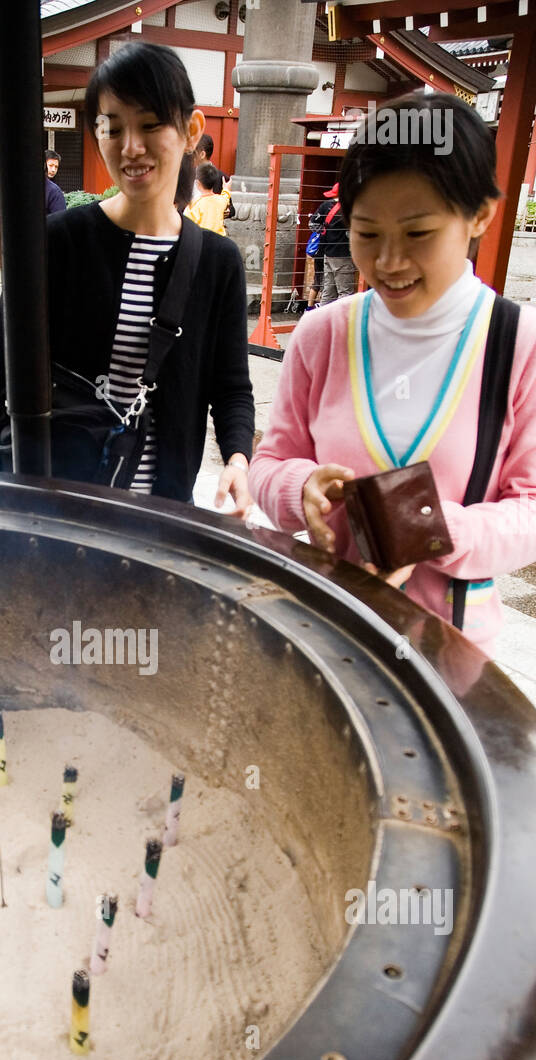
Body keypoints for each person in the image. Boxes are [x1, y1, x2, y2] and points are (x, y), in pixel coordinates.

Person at [248, 93, 536, 658]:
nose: (389, 262)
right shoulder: (323, 336)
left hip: (447, 649)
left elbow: (529, 506)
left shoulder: (517, 347)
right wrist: (297, 487)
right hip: (329, 631)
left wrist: (438, 528)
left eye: (418, 233)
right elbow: (271, 462)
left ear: (479, 214)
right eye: (368, 234)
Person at [0, 42, 254, 511]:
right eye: (113, 128)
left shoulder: (217, 262)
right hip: (62, 508)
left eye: (150, 124)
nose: (131, 147)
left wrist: (239, 460)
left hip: (164, 513)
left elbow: (231, 387)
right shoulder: (59, 241)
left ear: (190, 130)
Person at [315, 181, 357, 304]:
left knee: (328, 291)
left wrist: (325, 232)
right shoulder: (349, 210)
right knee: (345, 292)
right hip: (343, 255)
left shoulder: (326, 206)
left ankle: (322, 320)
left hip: (328, 253)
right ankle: (342, 322)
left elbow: (313, 223)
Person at [186, 161, 228, 235]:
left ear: (198, 183)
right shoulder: (220, 200)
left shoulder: (195, 203)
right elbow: (226, 196)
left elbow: (187, 222)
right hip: (218, 238)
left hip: (202, 238)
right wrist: (226, 188)